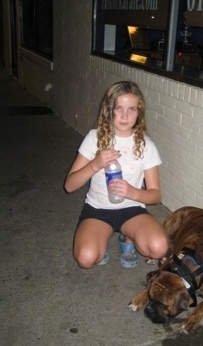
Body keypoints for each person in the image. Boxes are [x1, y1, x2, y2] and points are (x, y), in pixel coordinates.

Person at [64, 81, 169, 269]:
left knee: (159, 247)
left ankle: (128, 237)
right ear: (108, 110)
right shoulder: (94, 138)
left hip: (132, 210)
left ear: (139, 113)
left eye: (132, 109)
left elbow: (155, 195)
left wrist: (132, 192)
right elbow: (69, 186)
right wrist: (95, 164)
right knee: (86, 258)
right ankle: (100, 239)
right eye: (118, 108)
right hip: (98, 209)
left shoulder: (146, 145)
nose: (125, 115)